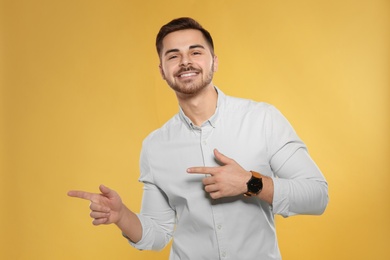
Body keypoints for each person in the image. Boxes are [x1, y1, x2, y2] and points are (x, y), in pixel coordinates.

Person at [68, 17, 328, 260]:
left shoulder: (262, 119)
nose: (185, 62)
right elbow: (157, 234)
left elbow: (317, 196)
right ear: (162, 70)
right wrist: (122, 215)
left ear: (214, 61)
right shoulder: (155, 146)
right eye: (173, 56)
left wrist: (251, 183)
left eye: (195, 52)